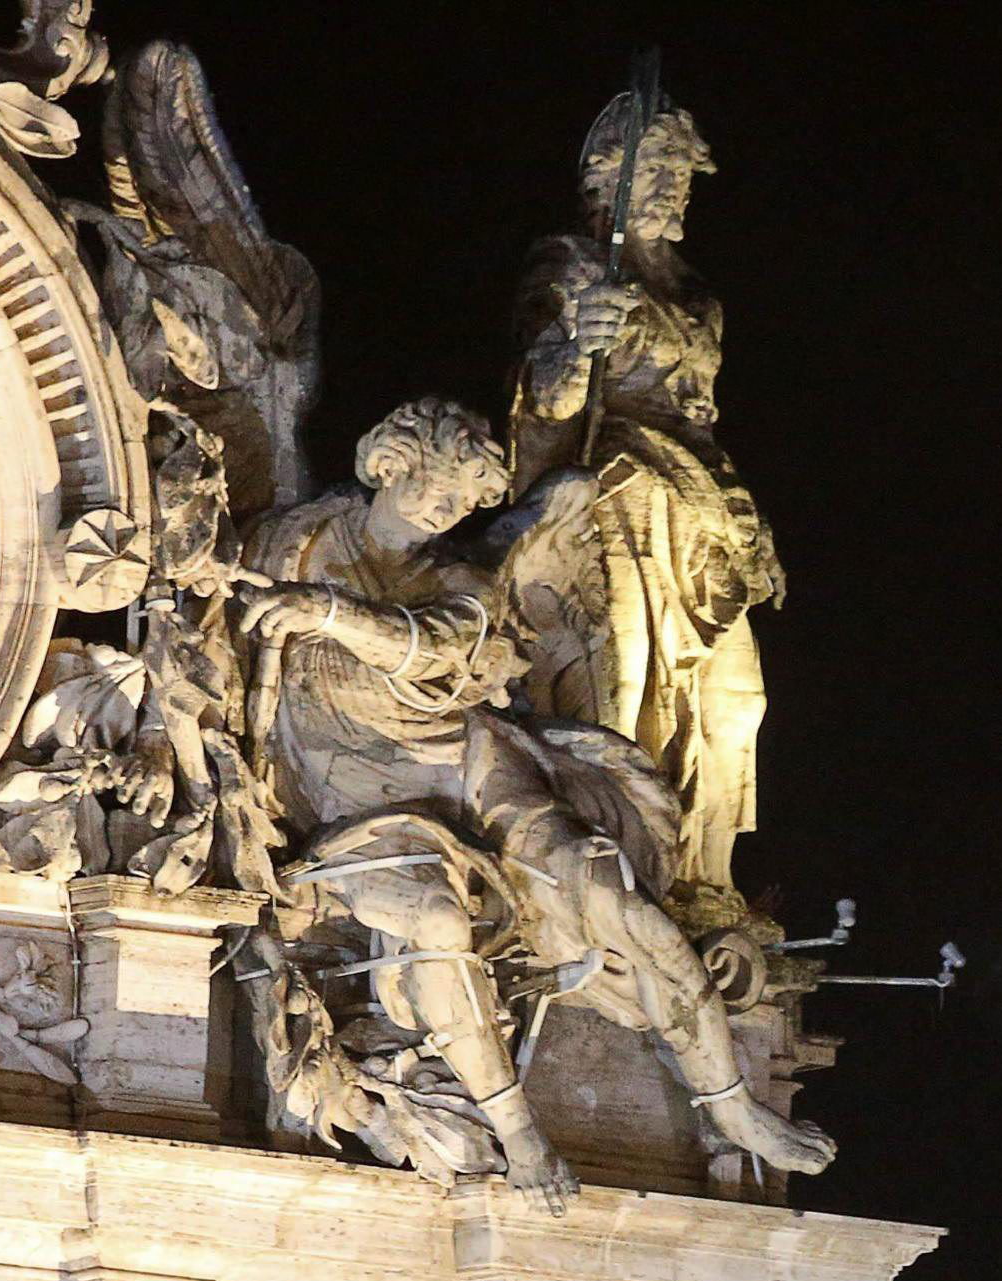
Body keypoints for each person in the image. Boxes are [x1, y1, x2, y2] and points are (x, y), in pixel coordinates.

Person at [238, 398, 834, 1206]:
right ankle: (519, 1137)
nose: (441, 516)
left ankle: (734, 1108)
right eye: (432, 494)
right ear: (386, 466)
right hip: (350, 803)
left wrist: (328, 614)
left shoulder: (462, 581)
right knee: (439, 922)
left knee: (607, 890)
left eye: (456, 507)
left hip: (470, 769)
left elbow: (443, 647)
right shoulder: (293, 538)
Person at [508, 99, 775, 893]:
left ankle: (710, 882)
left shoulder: (697, 299)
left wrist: (745, 519)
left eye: (681, 174)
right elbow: (544, 400)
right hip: (616, 504)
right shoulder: (570, 267)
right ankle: (608, 867)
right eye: (655, 170)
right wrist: (576, 342)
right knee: (617, 685)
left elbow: (702, 418)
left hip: (697, 514)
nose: (674, 188)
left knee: (735, 702)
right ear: (605, 179)